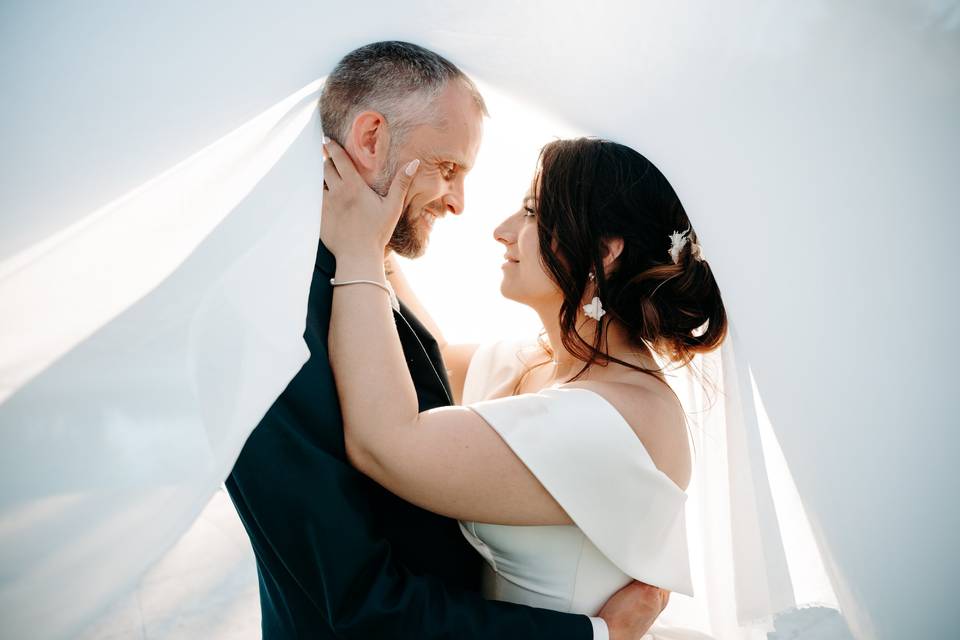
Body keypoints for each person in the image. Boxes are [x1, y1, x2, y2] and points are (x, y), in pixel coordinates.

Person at [227, 41, 667, 639]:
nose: (463, 206)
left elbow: (421, 374)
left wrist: (368, 245)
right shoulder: (273, 324)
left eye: (533, 211)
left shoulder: (358, 279)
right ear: (372, 137)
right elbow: (358, 605)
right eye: (449, 168)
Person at [320, 134, 728, 638]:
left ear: (604, 251)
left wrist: (356, 251)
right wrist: (378, 231)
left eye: (532, 213)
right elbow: (433, 362)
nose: (502, 230)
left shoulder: (614, 418)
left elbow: (385, 443)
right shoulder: (542, 362)